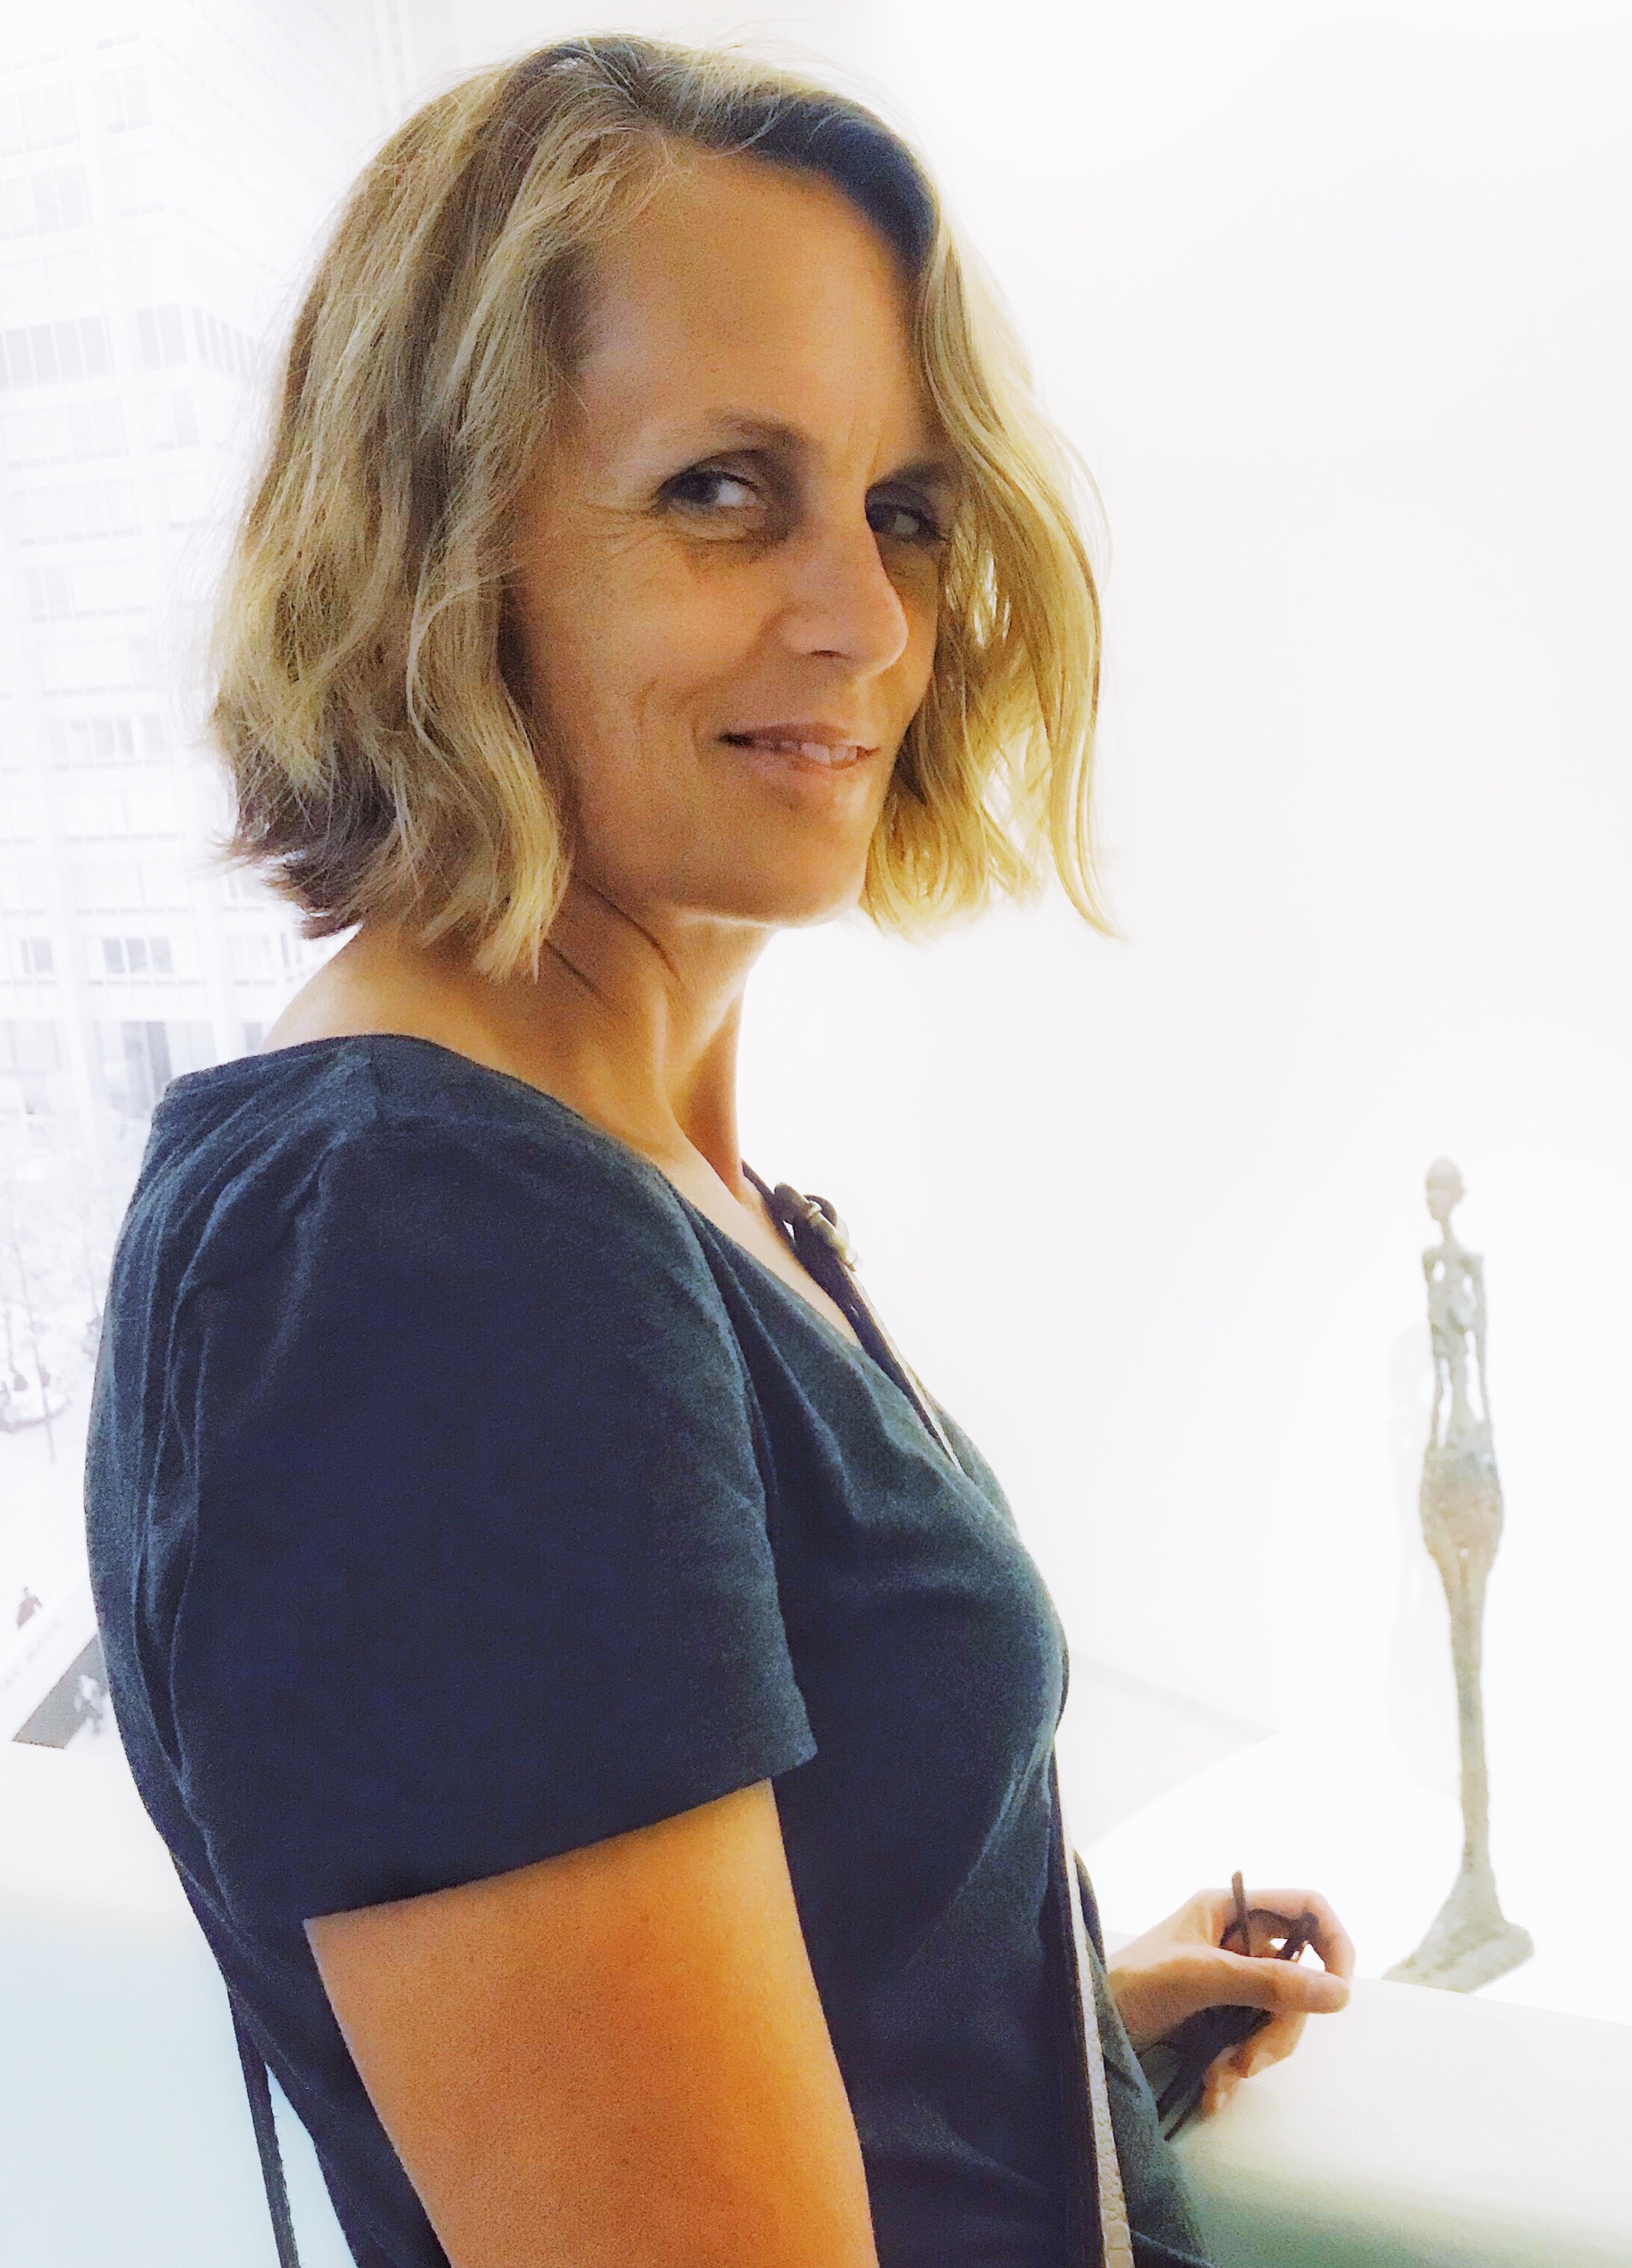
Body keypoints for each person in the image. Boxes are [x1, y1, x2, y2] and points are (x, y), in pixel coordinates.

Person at [83, 37, 1351, 2268]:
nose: (866, 616)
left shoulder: (632, 1182)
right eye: (723, 491)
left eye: (905, 506)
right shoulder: (429, 1252)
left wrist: (1067, 2032)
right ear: (441, 547)